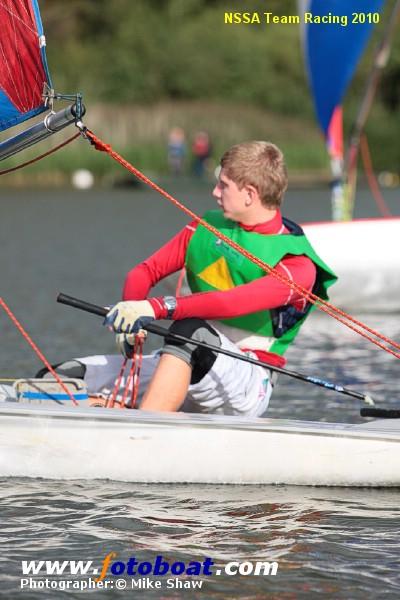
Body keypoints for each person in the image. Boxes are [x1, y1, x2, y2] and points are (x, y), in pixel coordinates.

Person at [100, 141, 337, 416]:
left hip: (248, 380)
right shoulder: (205, 227)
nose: (215, 192)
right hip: (188, 358)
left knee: (190, 329)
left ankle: (140, 433)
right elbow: (144, 272)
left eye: (223, 185)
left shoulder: (297, 263)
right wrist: (130, 313)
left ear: (250, 194)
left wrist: (154, 308)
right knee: (67, 375)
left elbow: (231, 304)